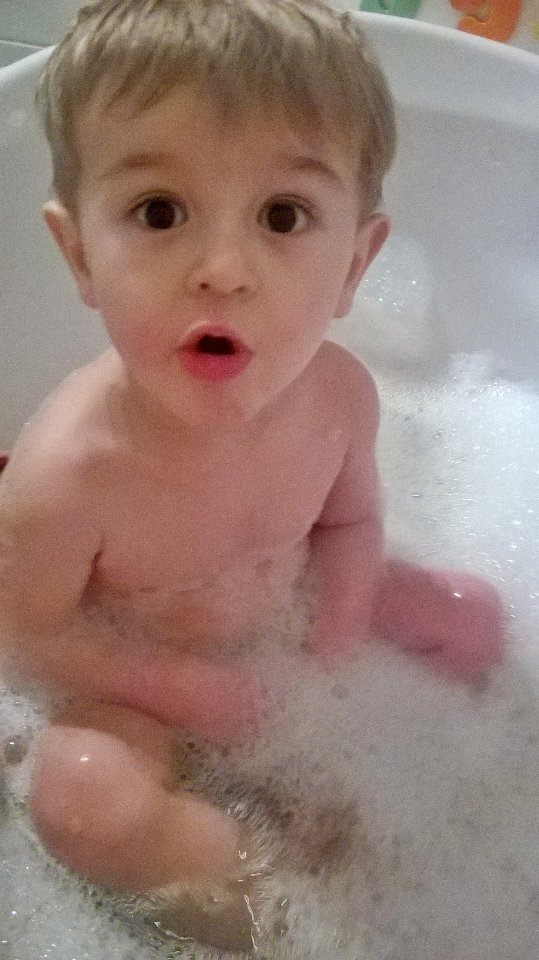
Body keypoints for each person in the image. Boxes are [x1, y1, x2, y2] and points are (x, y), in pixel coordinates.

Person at [0, 0, 504, 932]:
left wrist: (335, 638)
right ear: (80, 254)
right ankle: (280, 904)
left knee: (473, 618)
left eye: (283, 215)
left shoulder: (341, 397)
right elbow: (27, 637)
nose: (223, 268)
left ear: (354, 263)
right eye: (160, 212)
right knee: (83, 800)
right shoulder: (68, 470)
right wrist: (191, 691)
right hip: (132, 687)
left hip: (287, 620)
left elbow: (349, 524)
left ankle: (465, 818)